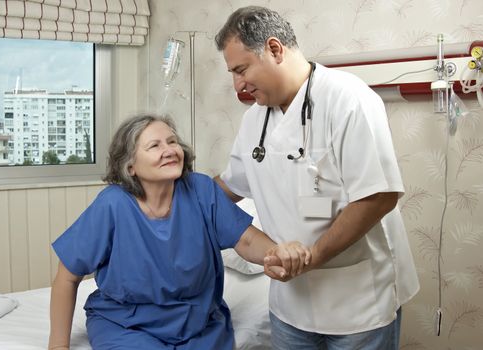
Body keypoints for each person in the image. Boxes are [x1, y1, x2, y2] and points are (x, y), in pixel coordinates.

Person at [214, 6, 420, 350]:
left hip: (357, 302)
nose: (237, 83)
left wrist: (311, 258)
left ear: (275, 49)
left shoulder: (348, 100)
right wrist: (168, 196)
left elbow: (377, 196)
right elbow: (229, 187)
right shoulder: (254, 121)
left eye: (241, 69)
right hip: (289, 305)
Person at [48, 114, 310, 350]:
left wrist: (276, 251)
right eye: (155, 146)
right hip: (127, 325)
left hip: (198, 325)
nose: (169, 150)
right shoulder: (113, 204)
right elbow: (67, 277)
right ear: (130, 167)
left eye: (172, 142)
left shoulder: (201, 190)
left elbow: (246, 238)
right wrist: (58, 346)